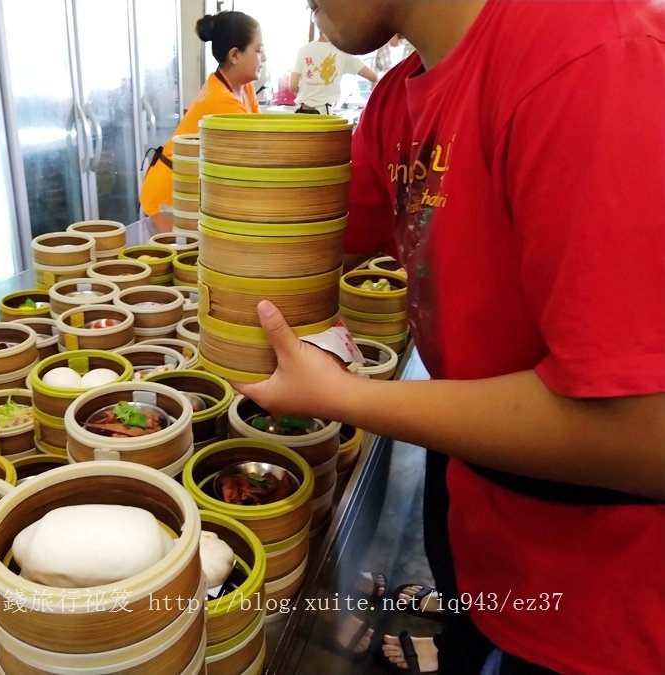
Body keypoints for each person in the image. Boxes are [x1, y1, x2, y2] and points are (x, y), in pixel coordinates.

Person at [234, 1, 664, 674]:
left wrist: (346, 397)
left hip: (605, 606)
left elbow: (647, 435)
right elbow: (308, 240)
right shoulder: (400, 100)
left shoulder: (585, 59)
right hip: (480, 519)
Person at [139, 11, 264, 226]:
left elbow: (262, 136)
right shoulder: (223, 101)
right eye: (259, 50)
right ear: (235, 55)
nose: (265, 57)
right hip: (168, 195)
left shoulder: (243, 88)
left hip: (185, 190)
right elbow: (258, 154)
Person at [290, 31, 377, 114]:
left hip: (300, 111)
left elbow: (293, 86)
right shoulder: (342, 53)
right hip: (324, 113)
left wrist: (309, 93)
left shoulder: (303, 50)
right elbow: (373, 77)